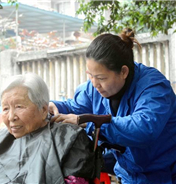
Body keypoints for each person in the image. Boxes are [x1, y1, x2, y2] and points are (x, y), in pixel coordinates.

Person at [49, 28, 176, 183]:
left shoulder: (154, 87)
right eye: (90, 76)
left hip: (165, 175)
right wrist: (52, 106)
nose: (95, 84)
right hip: (128, 175)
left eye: (101, 78)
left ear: (123, 72)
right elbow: (76, 108)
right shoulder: (93, 88)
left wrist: (91, 123)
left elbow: (143, 128)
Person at [0, 73, 96, 184]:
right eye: (5, 108)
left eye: (19, 106)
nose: (11, 117)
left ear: (43, 109)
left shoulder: (68, 138)